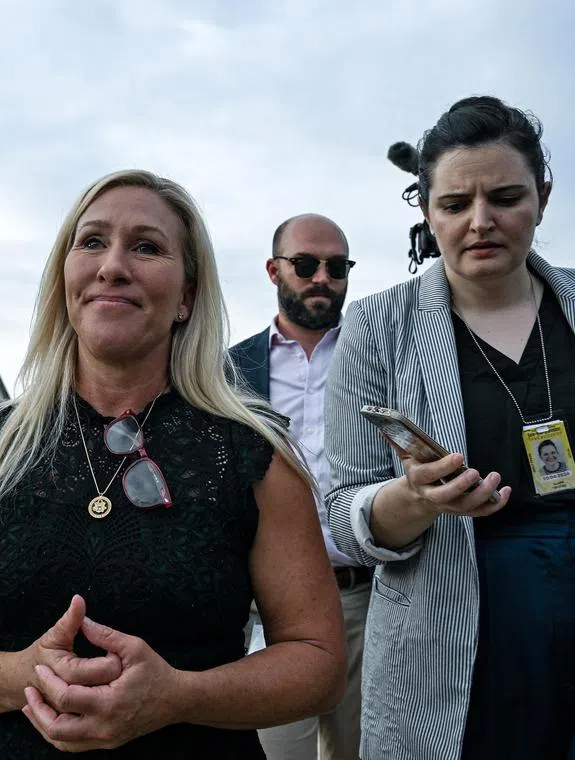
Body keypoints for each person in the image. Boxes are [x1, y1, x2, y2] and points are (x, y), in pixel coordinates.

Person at [0, 169, 346, 758]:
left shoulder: (253, 451)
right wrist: (22, 675)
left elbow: (317, 662)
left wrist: (180, 696)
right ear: (65, 275)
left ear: (188, 295)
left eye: (146, 247)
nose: (112, 265)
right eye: (91, 242)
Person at [325, 95, 575, 760]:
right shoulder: (377, 328)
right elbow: (348, 517)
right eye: (455, 205)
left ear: (543, 196)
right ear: (426, 211)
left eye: (506, 197)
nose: (480, 222)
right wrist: (416, 499)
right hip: (467, 632)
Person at [229, 214, 365, 760]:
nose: (321, 279)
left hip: (365, 597)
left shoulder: (375, 354)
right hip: (269, 610)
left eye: (337, 267)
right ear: (273, 270)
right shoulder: (230, 370)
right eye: (306, 265)